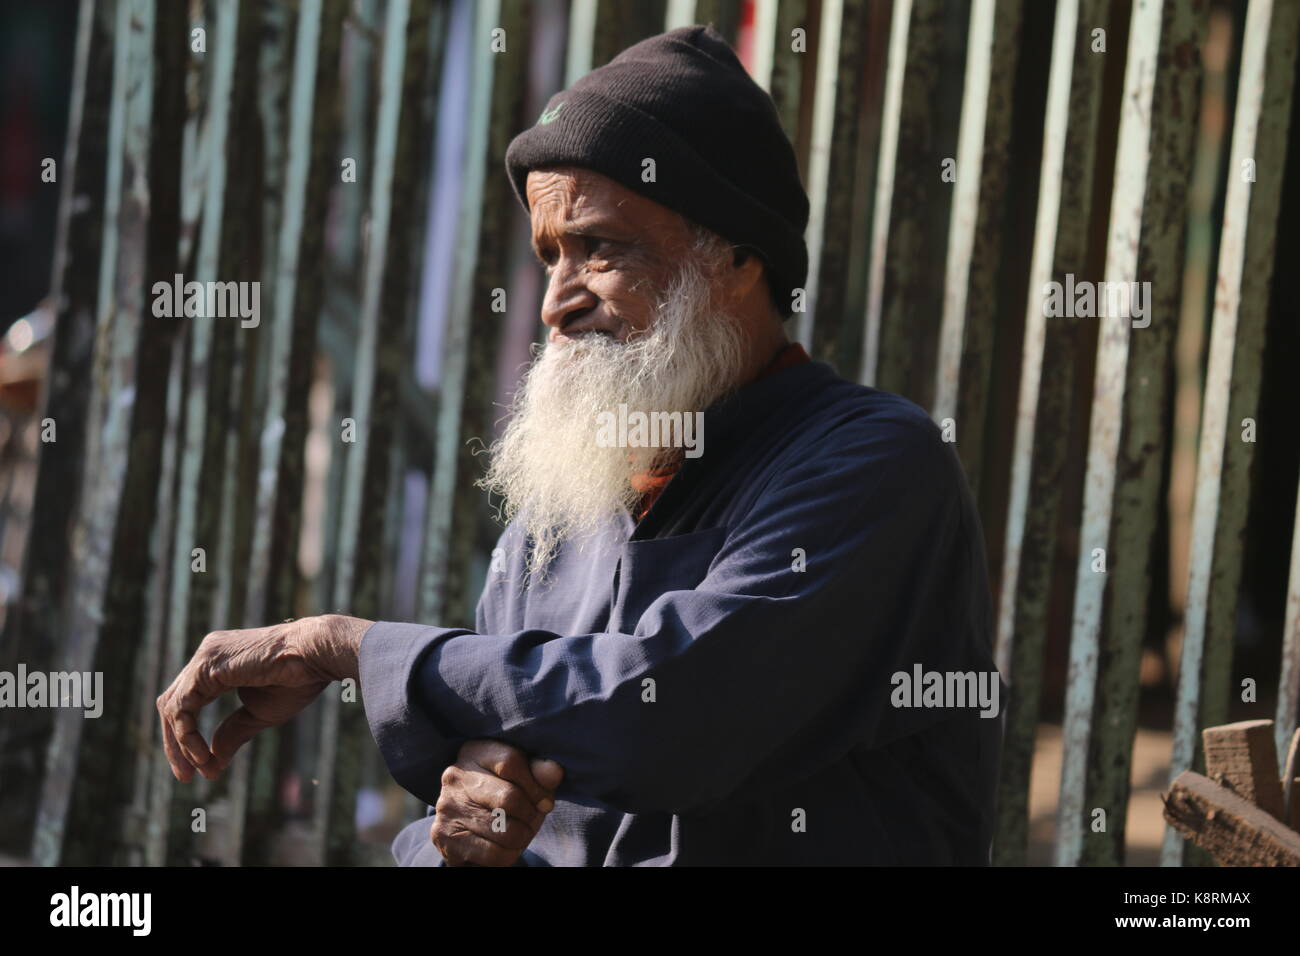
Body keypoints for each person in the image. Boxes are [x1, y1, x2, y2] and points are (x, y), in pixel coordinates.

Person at [157, 25, 1003, 866]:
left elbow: (665, 711)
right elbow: (455, 818)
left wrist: (352, 648)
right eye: (548, 254)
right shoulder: (561, 514)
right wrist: (462, 846)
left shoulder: (874, 466)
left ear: (739, 260)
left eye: (599, 247)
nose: (557, 300)